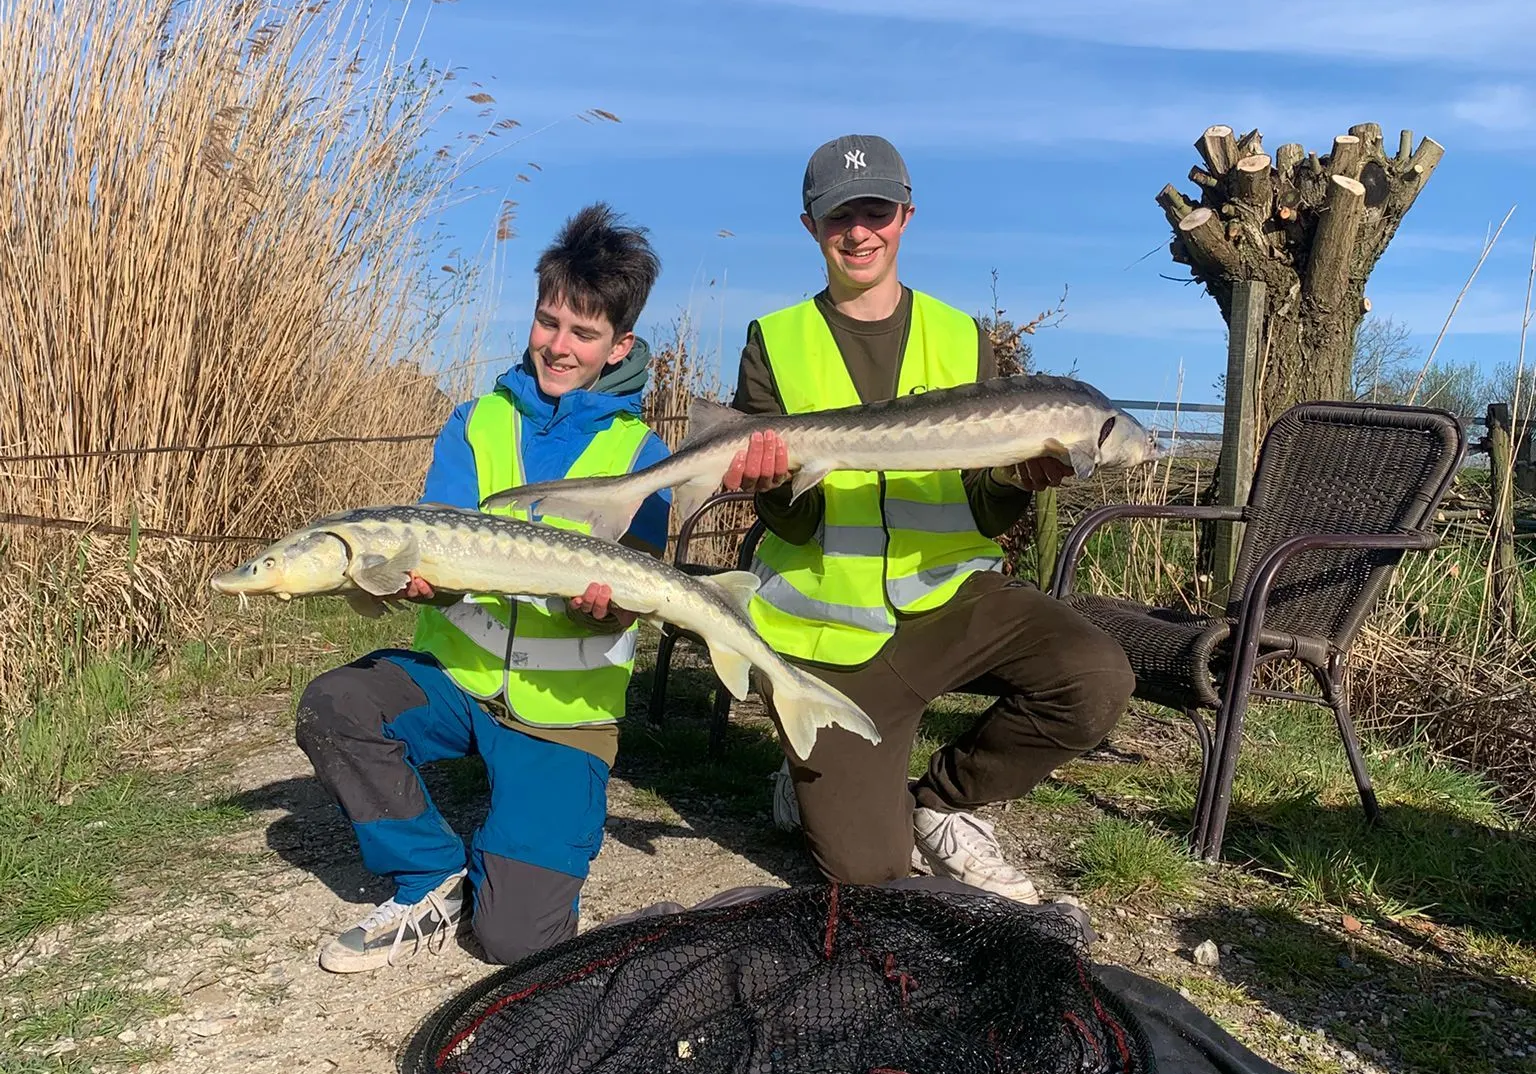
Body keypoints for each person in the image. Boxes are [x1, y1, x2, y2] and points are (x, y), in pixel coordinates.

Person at [722, 135, 1136, 901]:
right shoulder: (772, 340)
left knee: (1095, 674)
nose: (859, 231)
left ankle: (946, 803)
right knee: (870, 878)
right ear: (811, 226)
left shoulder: (962, 336)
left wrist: (1021, 482)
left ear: (906, 217)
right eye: (839, 215)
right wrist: (770, 487)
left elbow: (980, 511)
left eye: (875, 211)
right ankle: (808, 769)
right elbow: (791, 527)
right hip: (830, 631)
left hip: (951, 601)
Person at [295, 203, 672, 972]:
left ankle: (521, 849)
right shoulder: (475, 423)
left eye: (583, 333)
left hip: (564, 716)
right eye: (548, 323)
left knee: (514, 942)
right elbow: (430, 560)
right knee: (335, 705)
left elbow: (635, 594)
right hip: (456, 683)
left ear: (619, 345)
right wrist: (407, 586)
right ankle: (428, 872)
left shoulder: (643, 452)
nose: (558, 346)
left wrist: (604, 606)